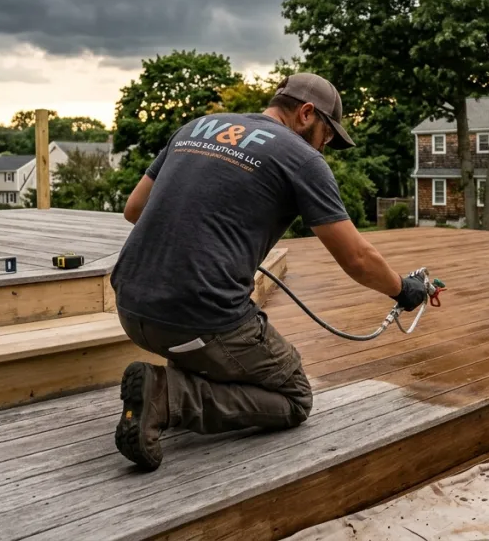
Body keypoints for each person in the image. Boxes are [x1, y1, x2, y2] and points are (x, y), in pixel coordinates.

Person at [109, 72, 428, 471]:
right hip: (197, 317)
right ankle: (169, 395)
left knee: (218, 347)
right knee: (294, 398)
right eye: (328, 135)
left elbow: (134, 209)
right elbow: (357, 259)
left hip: (130, 307)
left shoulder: (197, 127)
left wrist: (214, 239)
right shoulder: (300, 157)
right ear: (307, 114)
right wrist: (404, 290)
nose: (326, 147)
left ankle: (176, 381)